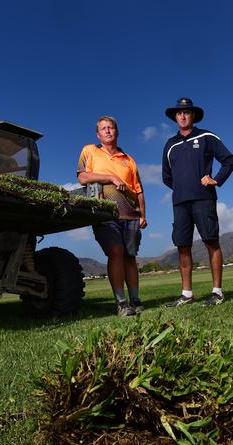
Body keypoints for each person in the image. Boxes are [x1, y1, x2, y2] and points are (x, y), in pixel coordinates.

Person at [162, 97, 233, 306]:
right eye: (179, 113)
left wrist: (216, 180)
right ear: (175, 117)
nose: (183, 116)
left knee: (210, 241)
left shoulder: (206, 136)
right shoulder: (170, 144)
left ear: (193, 115)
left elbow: (229, 160)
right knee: (182, 246)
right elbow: (167, 177)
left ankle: (217, 292)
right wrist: (183, 188)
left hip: (204, 198)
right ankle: (187, 294)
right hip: (180, 203)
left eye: (187, 112)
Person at [77, 115, 147, 317]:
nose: (108, 131)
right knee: (115, 251)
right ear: (98, 134)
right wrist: (110, 177)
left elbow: (139, 190)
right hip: (104, 212)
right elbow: (82, 177)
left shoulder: (129, 160)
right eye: (103, 128)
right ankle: (121, 303)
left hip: (131, 214)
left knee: (130, 257)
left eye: (111, 128)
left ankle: (135, 299)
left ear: (117, 132)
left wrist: (143, 214)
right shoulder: (89, 151)